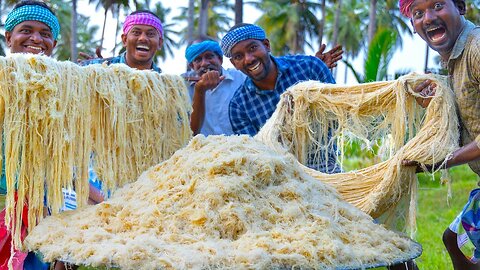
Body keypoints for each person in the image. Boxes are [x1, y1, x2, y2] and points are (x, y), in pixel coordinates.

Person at [399, 0, 480, 269]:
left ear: (461, 7)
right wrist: (437, 101)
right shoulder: (455, 61)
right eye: (419, 13)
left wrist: (441, 161)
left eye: (437, 5)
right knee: (452, 239)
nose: (429, 17)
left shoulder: (476, 49)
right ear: (413, 25)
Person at [220, 23, 340, 173]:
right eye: (238, 56)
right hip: (279, 177)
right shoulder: (239, 107)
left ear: (266, 45)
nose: (248, 59)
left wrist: (305, 111)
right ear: (234, 64)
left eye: (252, 48)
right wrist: (282, 124)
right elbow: (255, 155)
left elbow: (338, 113)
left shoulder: (310, 67)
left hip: (325, 165)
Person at [0, 1, 60, 269]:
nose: (36, 39)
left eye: (45, 33)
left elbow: (66, 162)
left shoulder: (62, 89)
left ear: (54, 43)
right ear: (8, 37)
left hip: (40, 209)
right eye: (26, 30)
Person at [185, 36, 343, 136]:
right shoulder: (183, 86)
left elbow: (265, 69)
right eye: (198, 60)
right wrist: (200, 91)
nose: (204, 63)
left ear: (220, 59)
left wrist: (311, 67)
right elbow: (191, 132)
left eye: (209, 56)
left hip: (241, 153)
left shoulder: (241, 77)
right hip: (208, 159)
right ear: (192, 65)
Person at [80, 10, 163, 72]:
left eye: (150, 34)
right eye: (136, 33)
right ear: (125, 40)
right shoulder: (95, 70)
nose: (143, 38)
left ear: (159, 43)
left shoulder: (166, 85)